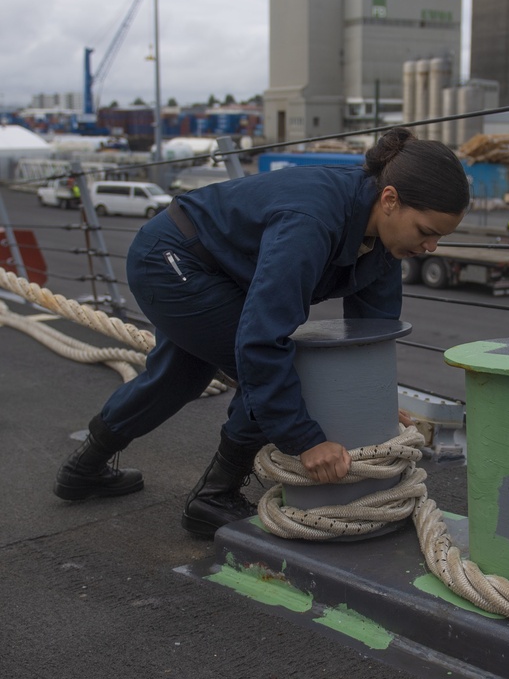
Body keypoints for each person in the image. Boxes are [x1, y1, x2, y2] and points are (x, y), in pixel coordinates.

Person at [53, 127, 470, 538]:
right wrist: (305, 440)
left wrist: (374, 401)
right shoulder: (311, 221)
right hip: (171, 261)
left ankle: (84, 469)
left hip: (225, 269)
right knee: (278, 371)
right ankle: (215, 495)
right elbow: (262, 342)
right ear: (390, 199)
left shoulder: (384, 240)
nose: (430, 247)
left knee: (182, 375)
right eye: (426, 231)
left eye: (439, 238)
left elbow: (371, 332)